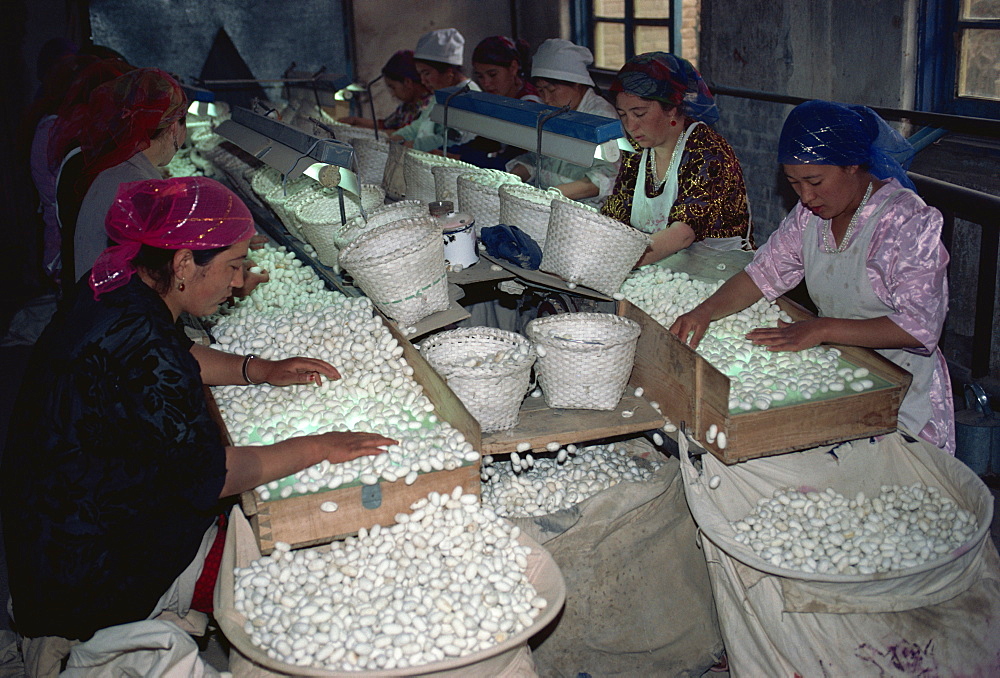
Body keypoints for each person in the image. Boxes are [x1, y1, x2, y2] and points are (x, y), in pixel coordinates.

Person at [1, 177, 396, 660]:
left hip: (44, 524)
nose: (237, 281)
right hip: (83, 563)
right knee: (280, 566)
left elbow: (175, 351)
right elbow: (210, 474)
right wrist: (318, 447)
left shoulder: (119, 282)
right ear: (184, 262)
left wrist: (257, 370)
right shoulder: (143, 344)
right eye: (232, 265)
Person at [670, 100, 955, 455]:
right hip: (844, 373)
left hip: (905, 387)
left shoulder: (907, 223)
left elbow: (919, 327)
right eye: (793, 183)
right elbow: (761, 275)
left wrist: (821, 329)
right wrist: (705, 311)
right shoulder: (810, 219)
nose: (805, 196)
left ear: (852, 164)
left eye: (815, 181)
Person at [601, 52, 752, 265]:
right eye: (623, 114)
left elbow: (683, 234)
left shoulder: (707, 152)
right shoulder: (637, 150)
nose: (630, 125)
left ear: (671, 108)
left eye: (640, 113)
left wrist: (613, 263)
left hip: (716, 271)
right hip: (660, 267)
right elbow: (617, 213)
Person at [71, 68, 189, 286]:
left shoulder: (119, 167)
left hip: (91, 300)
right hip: (110, 308)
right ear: (174, 127)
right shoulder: (141, 185)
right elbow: (162, 274)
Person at [506, 39, 619, 207]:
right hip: (546, 201)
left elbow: (605, 176)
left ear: (577, 83)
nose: (546, 99)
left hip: (582, 209)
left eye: (551, 90)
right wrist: (509, 179)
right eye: (541, 91)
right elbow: (537, 159)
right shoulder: (555, 111)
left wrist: (554, 195)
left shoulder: (601, 116)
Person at [453, 35, 542, 169]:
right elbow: (488, 141)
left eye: (493, 74)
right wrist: (449, 151)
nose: (486, 83)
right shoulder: (502, 98)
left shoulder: (529, 104)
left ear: (513, 67)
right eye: (480, 76)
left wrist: (462, 158)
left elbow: (514, 159)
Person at [390, 28, 480, 153]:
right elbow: (422, 123)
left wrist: (415, 145)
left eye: (426, 73)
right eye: (420, 74)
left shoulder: (468, 95)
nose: (423, 81)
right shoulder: (443, 92)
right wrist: (398, 136)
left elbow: (453, 141)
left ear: (448, 73)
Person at [337, 50, 431, 131]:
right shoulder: (406, 108)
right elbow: (384, 125)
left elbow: (409, 137)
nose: (393, 94)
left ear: (407, 82)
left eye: (393, 87)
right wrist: (355, 121)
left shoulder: (429, 106)